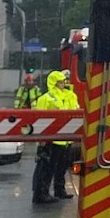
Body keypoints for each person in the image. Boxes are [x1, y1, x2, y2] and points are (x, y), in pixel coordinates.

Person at [31, 70, 79, 204]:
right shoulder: (45, 98)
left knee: (62, 167)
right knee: (46, 167)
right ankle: (41, 193)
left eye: (64, 81)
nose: (63, 84)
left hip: (66, 138)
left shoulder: (71, 96)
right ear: (53, 83)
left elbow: (76, 112)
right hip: (51, 140)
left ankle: (60, 190)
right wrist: (41, 140)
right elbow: (40, 119)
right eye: (60, 82)